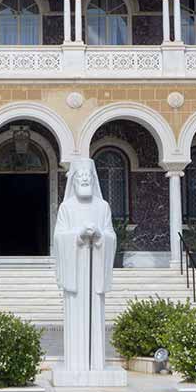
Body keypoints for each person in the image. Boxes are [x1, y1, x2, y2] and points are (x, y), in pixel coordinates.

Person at [53, 158, 117, 375]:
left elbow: (111, 235)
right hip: (76, 273)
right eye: (80, 177)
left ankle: (96, 363)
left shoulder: (103, 207)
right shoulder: (66, 208)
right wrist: (78, 236)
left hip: (95, 269)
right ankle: (76, 364)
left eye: (87, 176)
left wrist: (99, 237)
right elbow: (59, 237)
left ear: (93, 178)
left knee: (96, 317)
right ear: (73, 180)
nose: (84, 179)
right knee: (75, 316)